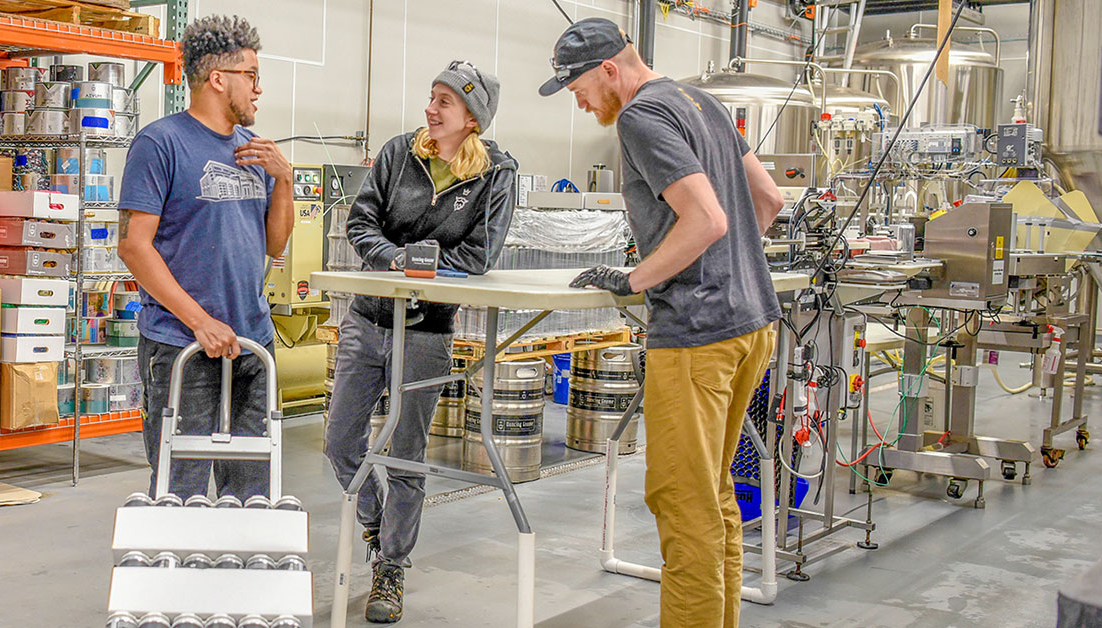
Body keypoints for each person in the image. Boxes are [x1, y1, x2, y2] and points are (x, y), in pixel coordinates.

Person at [540, 18, 785, 628]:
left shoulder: (639, 117)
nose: (577, 98)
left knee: (682, 503)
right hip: (752, 323)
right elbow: (768, 200)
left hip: (698, 334)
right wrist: (728, 269)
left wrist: (635, 278)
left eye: (577, 85)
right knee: (712, 493)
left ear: (609, 70)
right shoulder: (702, 100)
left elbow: (706, 220)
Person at [325, 60, 517, 623]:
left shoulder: (495, 174)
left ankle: (391, 569)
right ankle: (373, 522)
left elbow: (480, 254)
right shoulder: (396, 153)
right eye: (431, 97)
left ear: (472, 117)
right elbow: (362, 225)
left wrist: (424, 275)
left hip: (429, 330)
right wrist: (398, 261)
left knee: (407, 455)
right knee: (341, 442)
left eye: (444, 101)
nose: (430, 109)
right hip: (367, 322)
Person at [118, 15, 293, 500]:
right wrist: (200, 322)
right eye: (251, 75)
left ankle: (241, 573)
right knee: (181, 488)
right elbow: (134, 245)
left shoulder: (253, 151)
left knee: (254, 491)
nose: (258, 89)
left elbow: (273, 247)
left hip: (251, 343)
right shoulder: (161, 143)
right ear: (218, 79)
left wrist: (284, 180)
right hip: (183, 345)